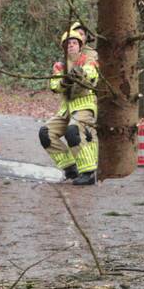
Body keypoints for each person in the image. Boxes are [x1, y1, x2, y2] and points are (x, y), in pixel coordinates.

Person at [39, 29, 99, 186]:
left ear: (80, 46)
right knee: (45, 133)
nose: (71, 46)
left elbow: (92, 74)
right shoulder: (60, 65)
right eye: (68, 44)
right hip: (66, 109)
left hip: (85, 104)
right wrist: (64, 82)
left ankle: (88, 172)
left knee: (73, 131)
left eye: (74, 43)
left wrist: (79, 74)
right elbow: (54, 85)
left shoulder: (88, 59)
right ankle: (70, 168)